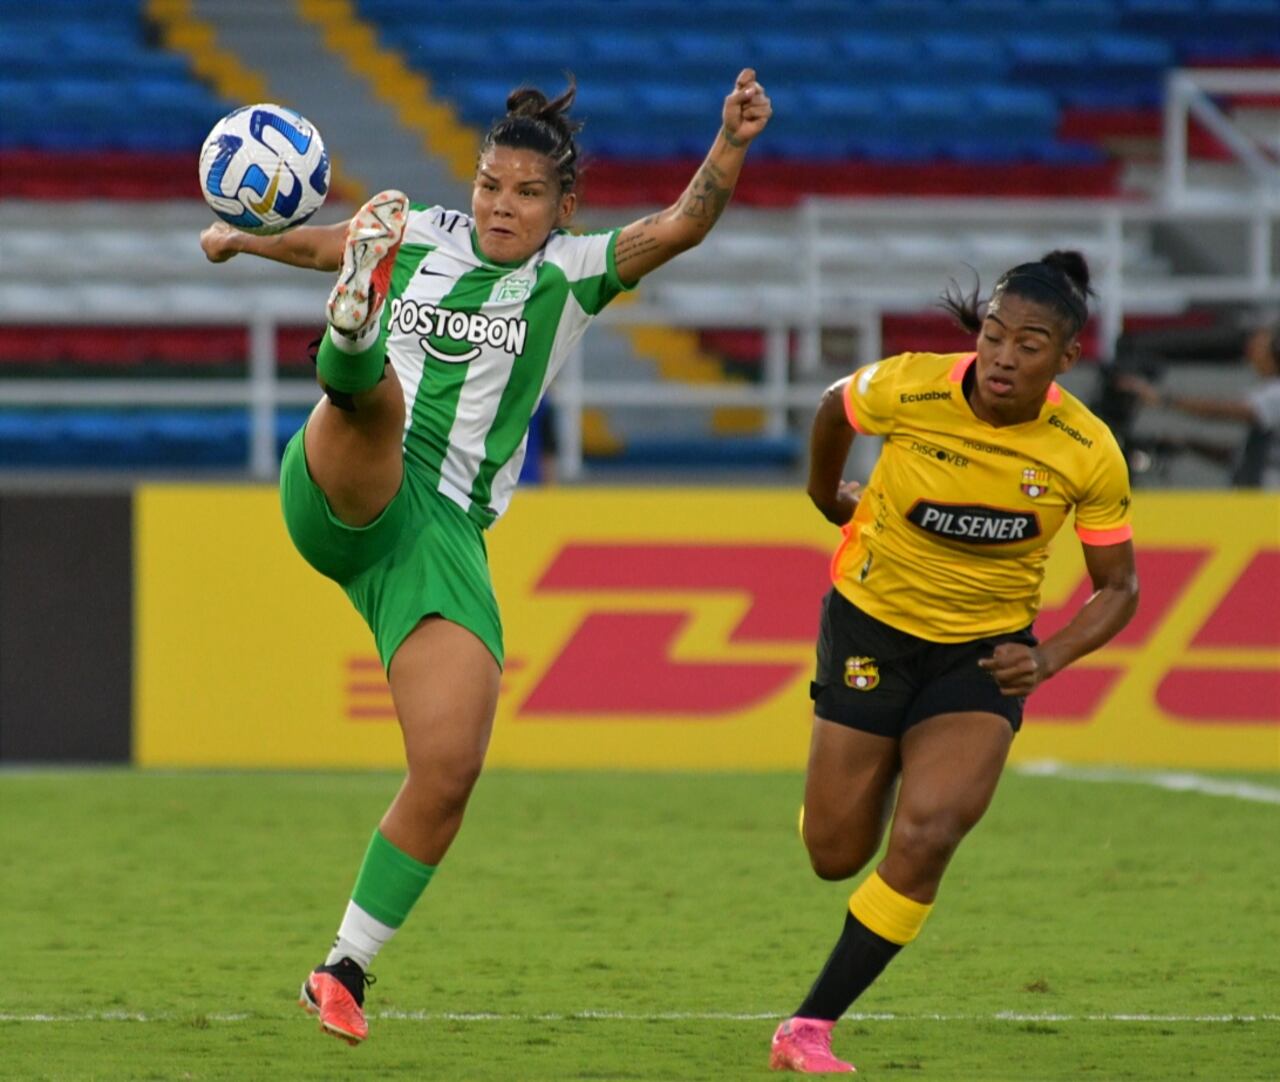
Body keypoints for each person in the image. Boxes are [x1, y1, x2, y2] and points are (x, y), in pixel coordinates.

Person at [199, 70, 772, 1045]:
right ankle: (352, 332)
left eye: (524, 193)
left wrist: (730, 141)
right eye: (488, 186)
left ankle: (342, 965)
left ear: (563, 208)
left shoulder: (576, 270)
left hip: (440, 538)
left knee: (450, 763)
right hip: (347, 477)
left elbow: (681, 222)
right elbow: (319, 240)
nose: (501, 206)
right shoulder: (417, 231)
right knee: (372, 401)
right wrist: (242, 240)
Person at [769, 251, 1140, 1074]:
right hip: (871, 628)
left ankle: (808, 1028)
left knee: (931, 831)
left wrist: (1047, 660)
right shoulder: (912, 386)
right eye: (995, 335)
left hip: (981, 657)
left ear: (1067, 357)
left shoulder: (1088, 451)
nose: (1004, 356)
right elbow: (834, 409)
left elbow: (1119, 588)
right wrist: (826, 495)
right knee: (834, 854)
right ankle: (881, 762)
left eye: (1029, 344)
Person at [1117, 322, 1280, 488]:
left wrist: (1163, 399)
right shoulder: (1266, 392)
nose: (1250, 353)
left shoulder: (1275, 392)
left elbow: (1224, 411)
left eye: (1258, 347)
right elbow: (1241, 456)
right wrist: (1188, 444)